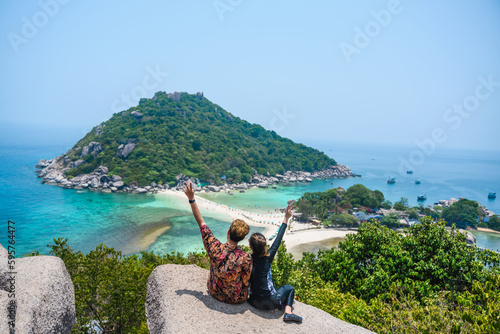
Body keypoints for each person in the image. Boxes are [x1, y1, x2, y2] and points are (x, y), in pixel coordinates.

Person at [184, 182, 252, 304]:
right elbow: (246, 281)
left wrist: (191, 198)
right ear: (242, 239)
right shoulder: (245, 258)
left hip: (214, 291)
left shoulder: (214, 246)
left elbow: (201, 223)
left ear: (228, 232)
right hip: (235, 298)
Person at [248, 204, 302, 322]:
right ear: (264, 245)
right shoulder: (268, 257)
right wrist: (286, 218)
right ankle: (288, 312)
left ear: (250, 246)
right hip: (271, 303)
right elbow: (278, 239)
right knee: (289, 288)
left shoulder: (247, 259)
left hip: (253, 302)